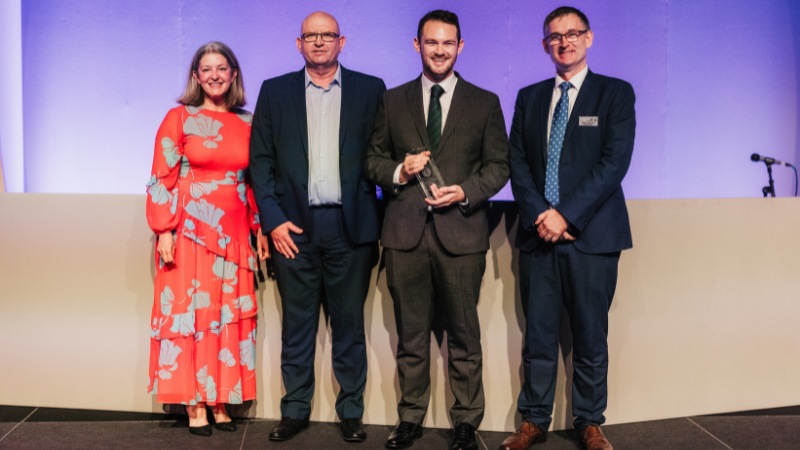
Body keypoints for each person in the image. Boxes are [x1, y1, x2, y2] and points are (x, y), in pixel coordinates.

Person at [364, 10, 509, 450]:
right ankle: (410, 418)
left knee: (464, 334)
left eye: (448, 43)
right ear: (417, 45)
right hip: (404, 236)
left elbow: (499, 166)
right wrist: (399, 171)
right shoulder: (392, 100)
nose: (440, 50)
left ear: (460, 47)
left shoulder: (485, 102)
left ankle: (466, 422)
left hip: (461, 234)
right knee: (411, 335)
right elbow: (371, 161)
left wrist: (464, 190)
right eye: (432, 43)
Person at [500, 6, 636, 450]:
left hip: (592, 238)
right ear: (545, 44)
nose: (565, 41)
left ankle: (590, 422)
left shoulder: (614, 94)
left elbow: (613, 164)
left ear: (589, 38)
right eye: (555, 36)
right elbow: (517, 163)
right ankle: (534, 421)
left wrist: (567, 215)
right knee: (538, 334)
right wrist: (543, 213)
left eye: (573, 33)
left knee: (590, 336)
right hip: (539, 235)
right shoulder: (530, 96)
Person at [248, 11, 386, 443]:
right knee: (298, 325)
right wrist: (273, 222)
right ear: (299, 43)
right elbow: (260, 163)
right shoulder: (274, 92)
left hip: (352, 229)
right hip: (294, 230)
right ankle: (294, 410)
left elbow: (382, 154)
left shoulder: (371, 89)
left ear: (342, 42)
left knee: (349, 327)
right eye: (312, 36)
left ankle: (351, 412)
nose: (320, 42)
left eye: (328, 36)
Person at [145, 41, 269, 437]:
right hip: (189, 232)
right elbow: (161, 176)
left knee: (225, 317)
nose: (215, 75)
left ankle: (220, 401)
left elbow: (252, 183)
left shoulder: (249, 122)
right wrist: (164, 230)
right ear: (196, 76)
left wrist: (259, 227)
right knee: (193, 317)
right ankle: (194, 403)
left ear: (233, 74)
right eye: (206, 69)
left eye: (222, 68)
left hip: (233, 236)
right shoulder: (178, 118)